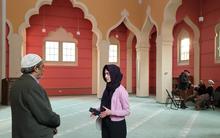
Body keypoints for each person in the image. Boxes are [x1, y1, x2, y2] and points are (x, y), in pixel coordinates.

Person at [10, 54, 60, 138]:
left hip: (20, 132)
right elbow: (44, 115)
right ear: (36, 68)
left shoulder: (16, 84)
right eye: (42, 66)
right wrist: (56, 120)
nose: (44, 69)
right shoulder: (32, 87)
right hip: (34, 133)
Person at [91, 64, 130, 138]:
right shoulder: (107, 88)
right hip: (105, 123)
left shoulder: (121, 91)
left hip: (116, 126)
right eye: (105, 74)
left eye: (108, 74)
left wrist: (111, 112)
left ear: (114, 74)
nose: (105, 76)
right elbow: (105, 106)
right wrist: (97, 110)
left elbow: (127, 111)